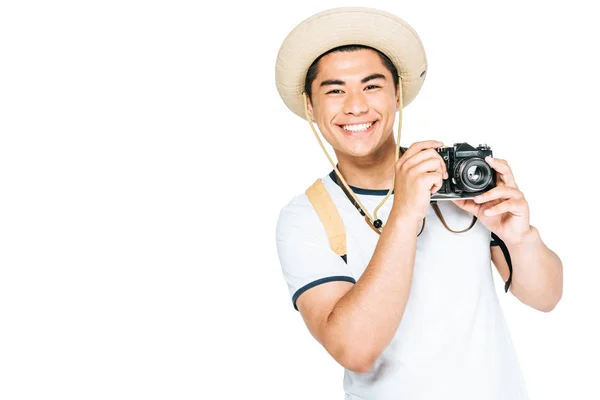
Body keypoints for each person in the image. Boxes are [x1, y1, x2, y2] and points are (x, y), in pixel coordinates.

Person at [274, 7, 563, 400]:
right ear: (310, 106)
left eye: (372, 86)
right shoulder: (305, 218)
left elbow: (547, 297)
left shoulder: (453, 178)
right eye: (335, 90)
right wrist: (406, 209)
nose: (356, 106)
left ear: (397, 95)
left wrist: (521, 235)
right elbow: (355, 350)